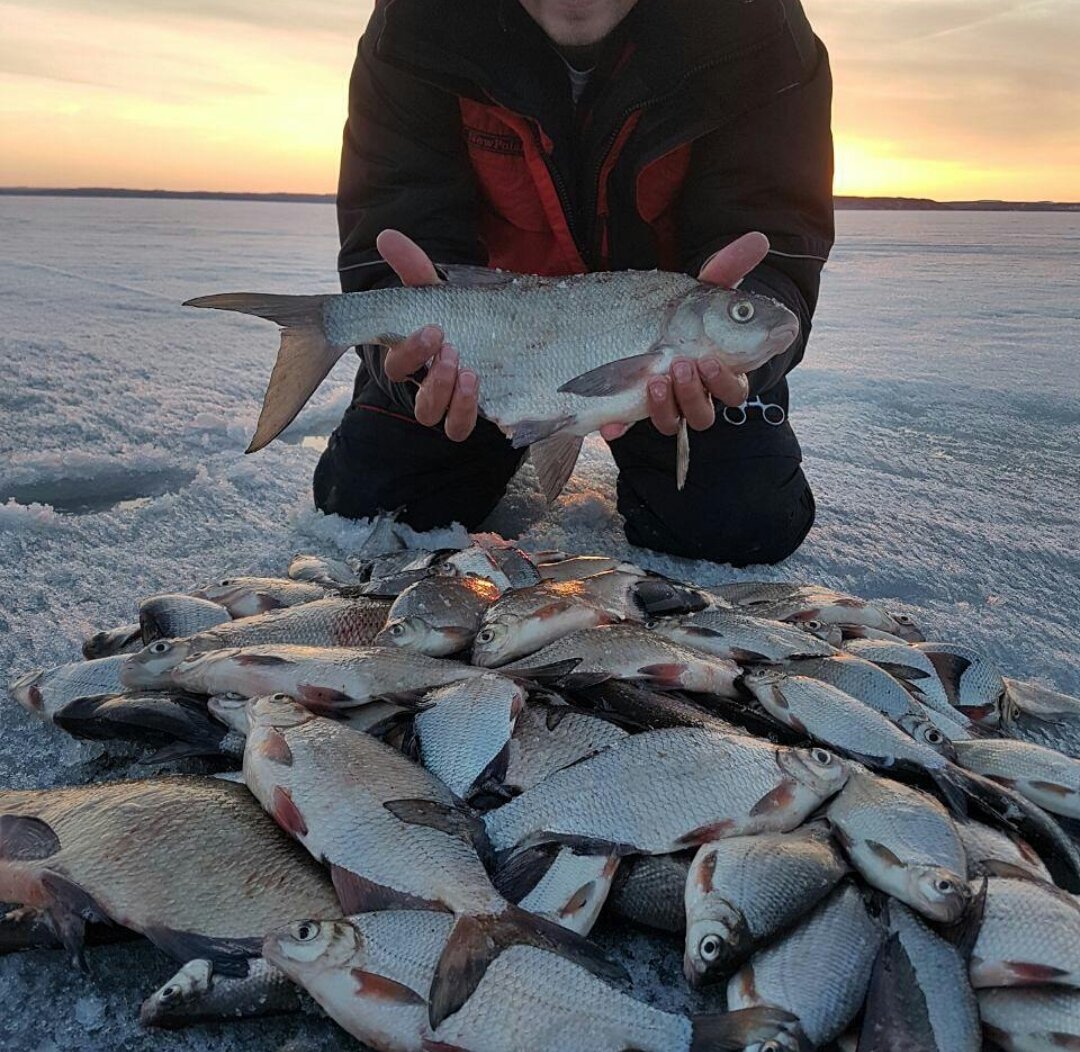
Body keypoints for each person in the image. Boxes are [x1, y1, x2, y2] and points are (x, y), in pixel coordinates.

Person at [315, 0, 834, 566]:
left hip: (671, 370)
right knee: (369, 502)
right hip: (485, 350)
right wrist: (409, 368)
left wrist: (751, 331)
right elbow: (388, 233)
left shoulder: (759, 28)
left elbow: (778, 242)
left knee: (742, 521)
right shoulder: (412, 23)